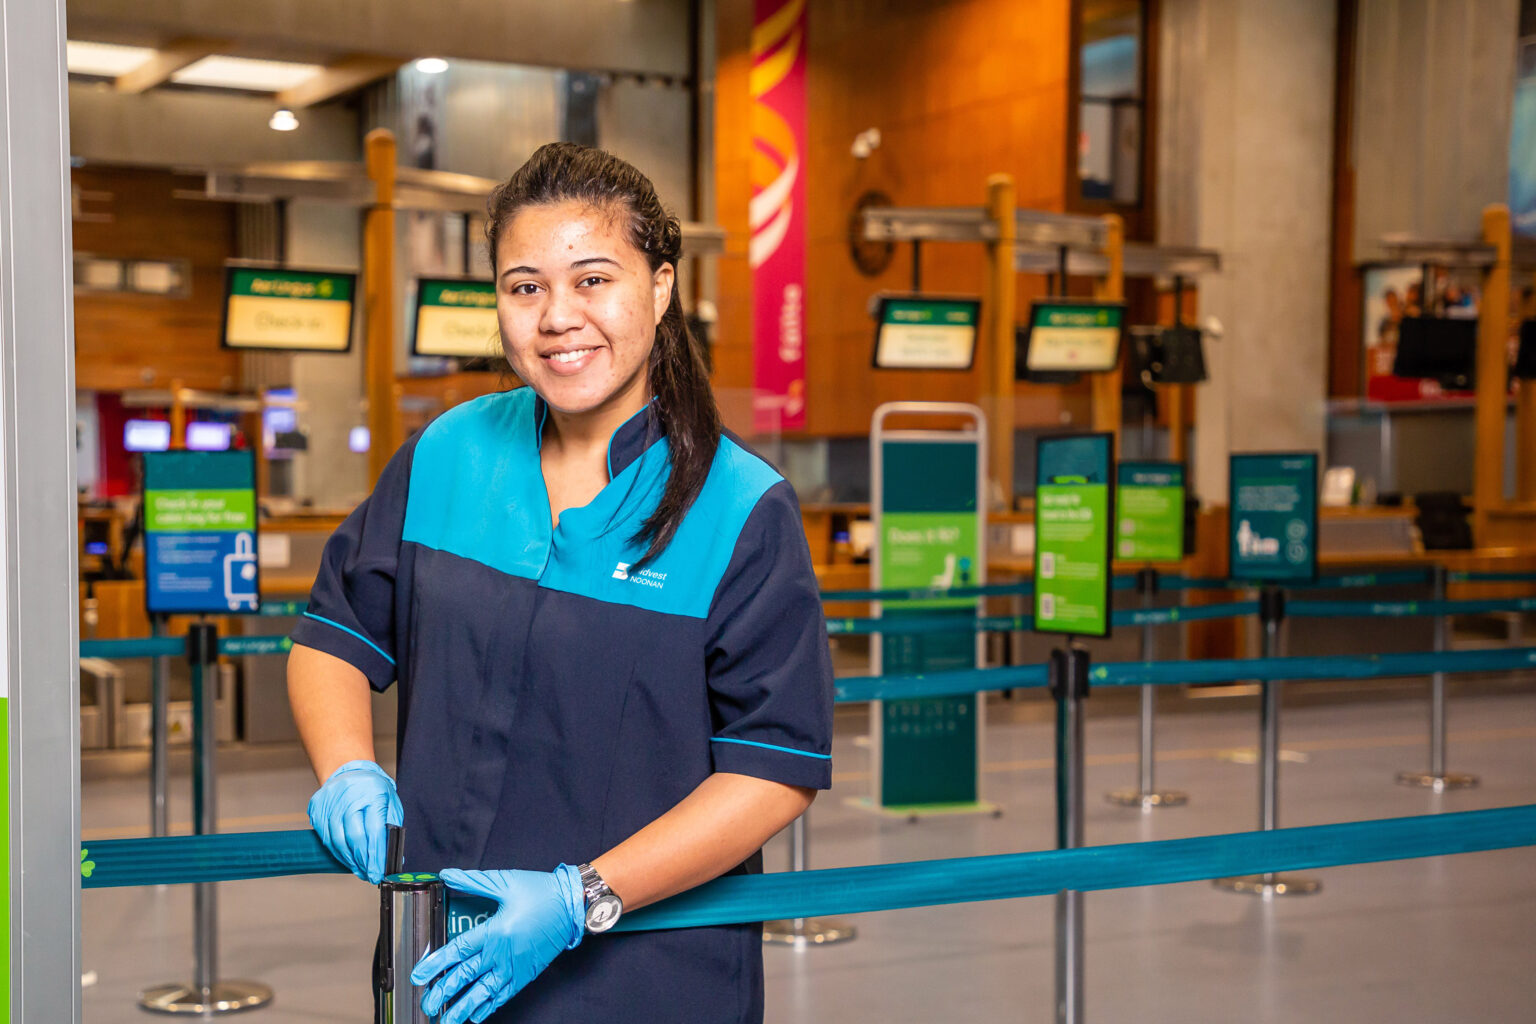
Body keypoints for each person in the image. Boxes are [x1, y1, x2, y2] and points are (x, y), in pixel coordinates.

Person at [288, 142, 834, 1024]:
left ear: (659, 287)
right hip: (445, 964)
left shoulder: (739, 508)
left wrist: (584, 897)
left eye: (592, 280)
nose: (557, 317)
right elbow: (334, 637)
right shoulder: (446, 455)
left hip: (653, 979)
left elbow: (775, 769)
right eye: (525, 286)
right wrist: (347, 767)